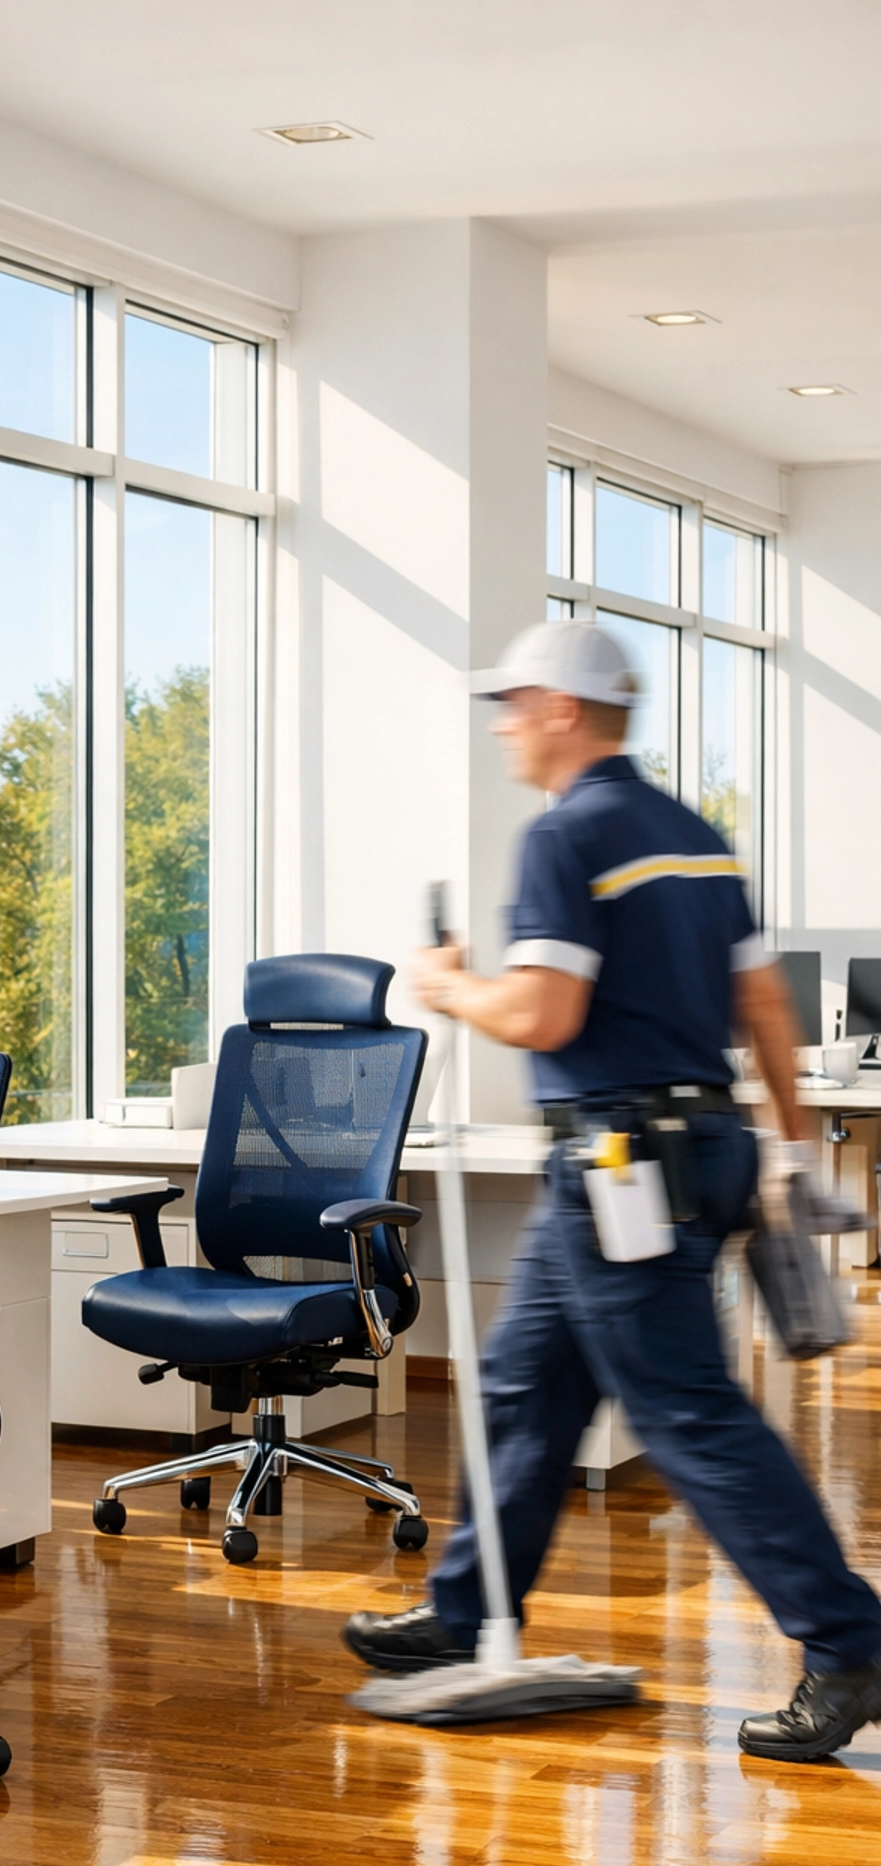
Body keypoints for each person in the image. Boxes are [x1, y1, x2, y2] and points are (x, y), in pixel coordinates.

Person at [342, 618, 881, 1762]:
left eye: (513, 703)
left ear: (563, 712)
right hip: (685, 1148)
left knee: (686, 1413)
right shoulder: (696, 837)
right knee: (524, 1387)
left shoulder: (565, 836)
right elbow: (768, 1009)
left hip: (622, 1162)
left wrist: (446, 985)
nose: (501, 725)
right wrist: (783, 1151)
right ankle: (463, 1613)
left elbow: (544, 1015)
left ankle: (847, 1646)